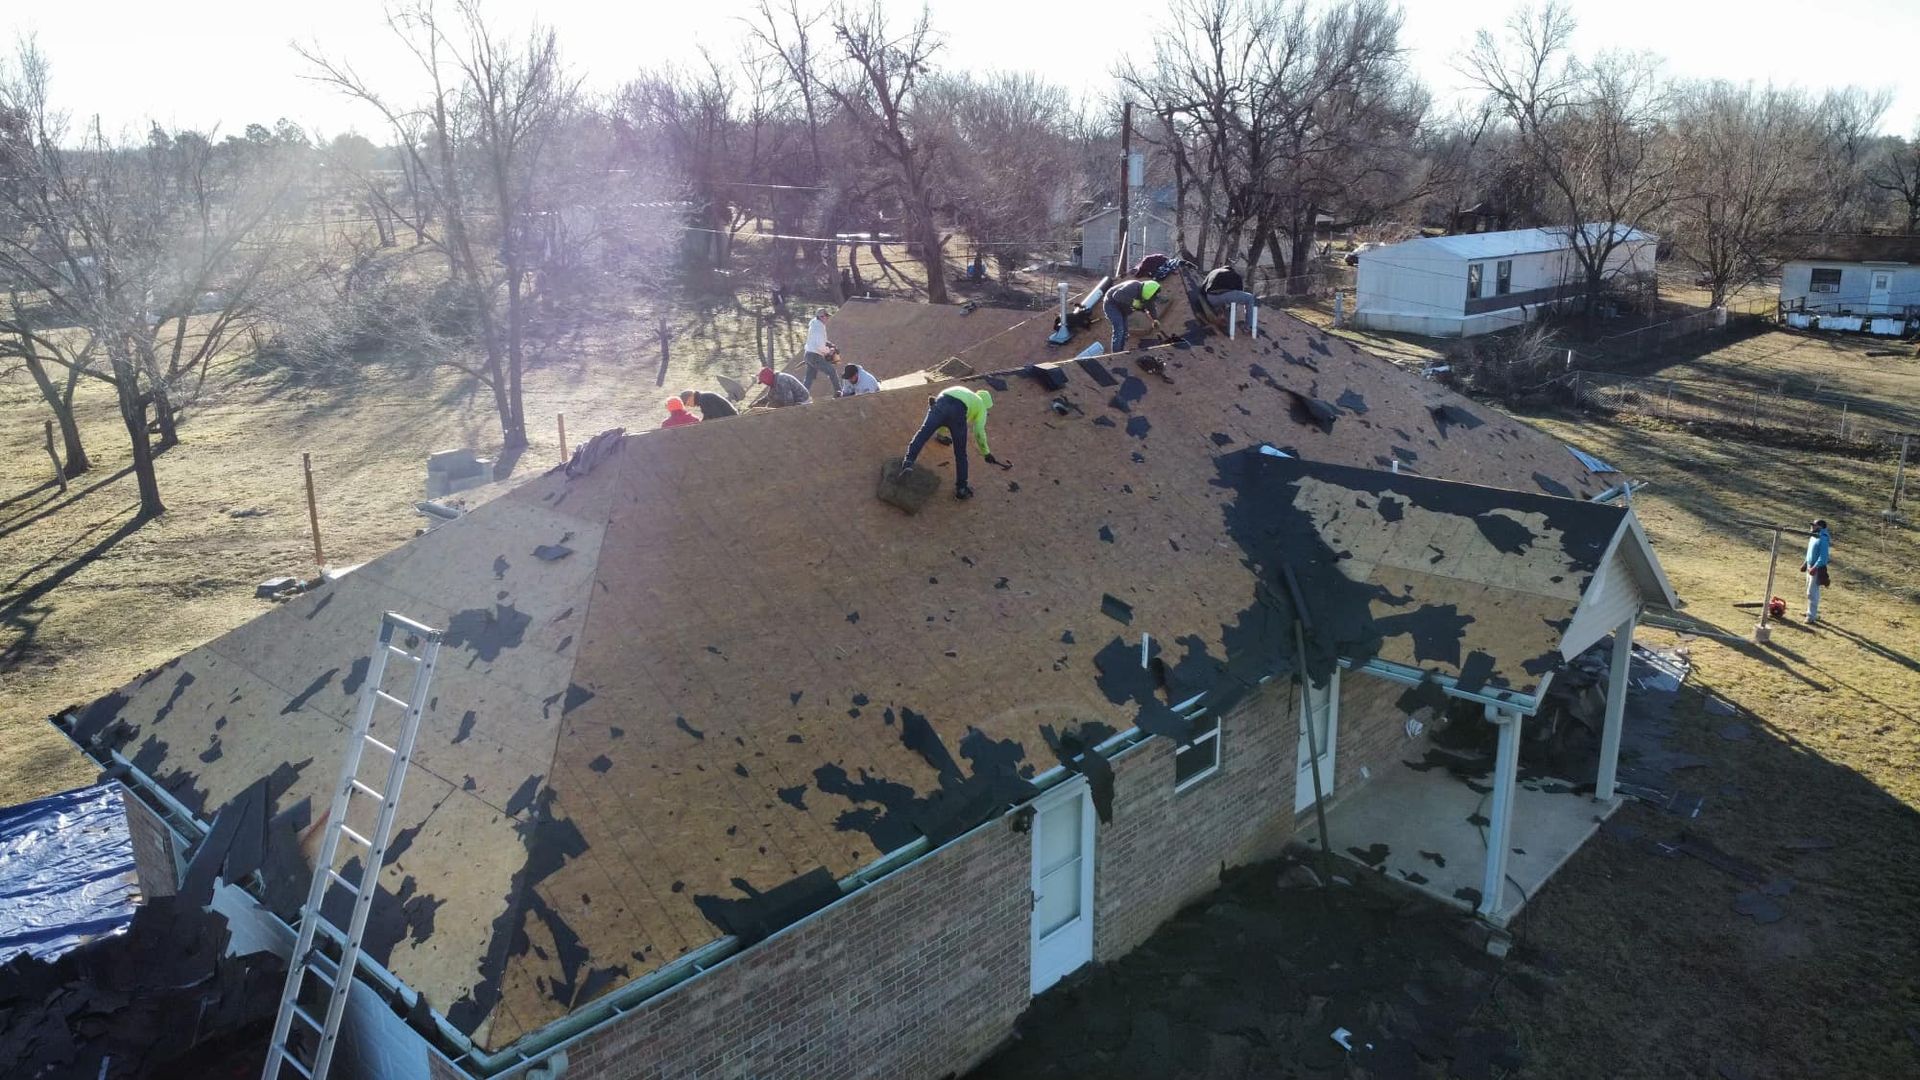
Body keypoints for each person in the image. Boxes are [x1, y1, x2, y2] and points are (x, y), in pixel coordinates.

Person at [900, 386, 1000, 500]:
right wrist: (986, 453)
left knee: (922, 434)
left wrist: (941, 435)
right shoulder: (981, 406)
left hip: (941, 401)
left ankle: (907, 463)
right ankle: (961, 489)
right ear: (986, 405)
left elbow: (946, 416)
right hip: (958, 411)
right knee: (961, 454)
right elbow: (978, 431)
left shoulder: (966, 393)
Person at [1104, 277, 1164, 354]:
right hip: (1111, 304)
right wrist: (1133, 302)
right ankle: (1116, 354)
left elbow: (1151, 308)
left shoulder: (1148, 297)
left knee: (1125, 331)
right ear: (1148, 292)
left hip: (1123, 307)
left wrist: (1155, 319)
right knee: (1119, 328)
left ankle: (1120, 352)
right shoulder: (1133, 286)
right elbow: (1116, 295)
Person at [1202, 264, 1258, 331]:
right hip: (1226, 295)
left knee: (1225, 302)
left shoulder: (1214, 272)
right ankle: (1249, 326)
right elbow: (1239, 293)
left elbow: (1203, 287)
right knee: (1249, 298)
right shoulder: (1235, 275)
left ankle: (1221, 317)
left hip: (1211, 297)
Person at [801, 308, 839, 394]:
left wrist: (829, 344)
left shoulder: (814, 325)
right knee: (831, 371)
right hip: (815, 356)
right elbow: (820, 346)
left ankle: (801, 396)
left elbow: (818, 341)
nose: (827, 318)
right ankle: (839, 392)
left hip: (808, 355)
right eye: (826, 316)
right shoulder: (819, 327)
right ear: (821, 317)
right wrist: (829, 351)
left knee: (809, 378)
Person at [1801, 519, 1831, 622]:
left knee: (1812, 592)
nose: (1812, 527)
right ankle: (1811, 612)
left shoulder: (1823, 538)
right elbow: (1810, 551)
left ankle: (1811, 617)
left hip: (1816, 568)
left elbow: (1823, 557)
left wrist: (1815, 567)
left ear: (1820, 527)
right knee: (1809, 591)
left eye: (1814, 526)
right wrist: (1805, 563)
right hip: (1810, 566)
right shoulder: (1813, 537)